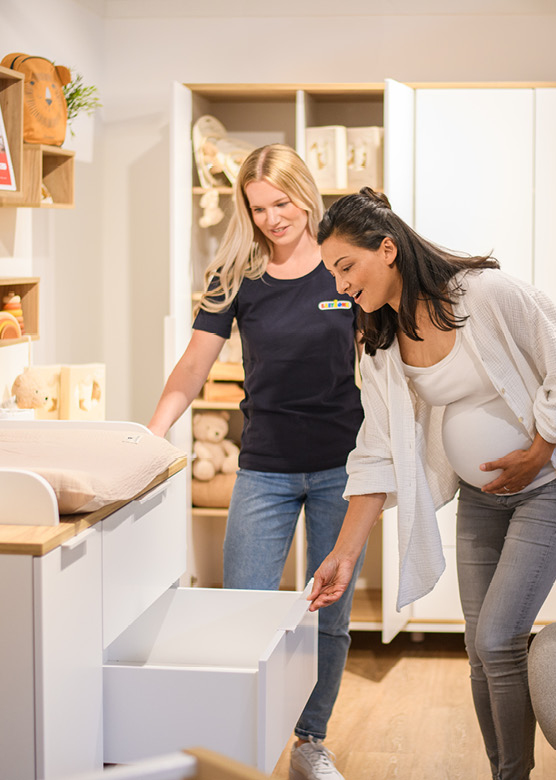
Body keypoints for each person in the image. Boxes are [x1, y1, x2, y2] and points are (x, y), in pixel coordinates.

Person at [308, 187, 556, 780]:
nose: (340, 284)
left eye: (346, 267)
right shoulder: (378, 342)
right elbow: (374, 452)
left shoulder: (488, 295)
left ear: (388, 248)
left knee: (501, 638)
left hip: (548, 488)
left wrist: (541, 448)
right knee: (482, 652)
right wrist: (344, 556)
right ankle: (507, 772)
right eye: (332, 274)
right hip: (481, 498)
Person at [148, 144, 366, 780]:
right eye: (259, 208)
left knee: (329, 617)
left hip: (342, 468)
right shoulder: (235, 275)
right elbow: (193, 366)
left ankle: (308, 743)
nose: (273, 218)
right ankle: (240, 744)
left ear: (305, 193)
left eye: (282, 203)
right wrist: (152, 435)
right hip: (265, 466)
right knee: (243, 611)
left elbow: (382, 366)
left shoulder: (342, 268)